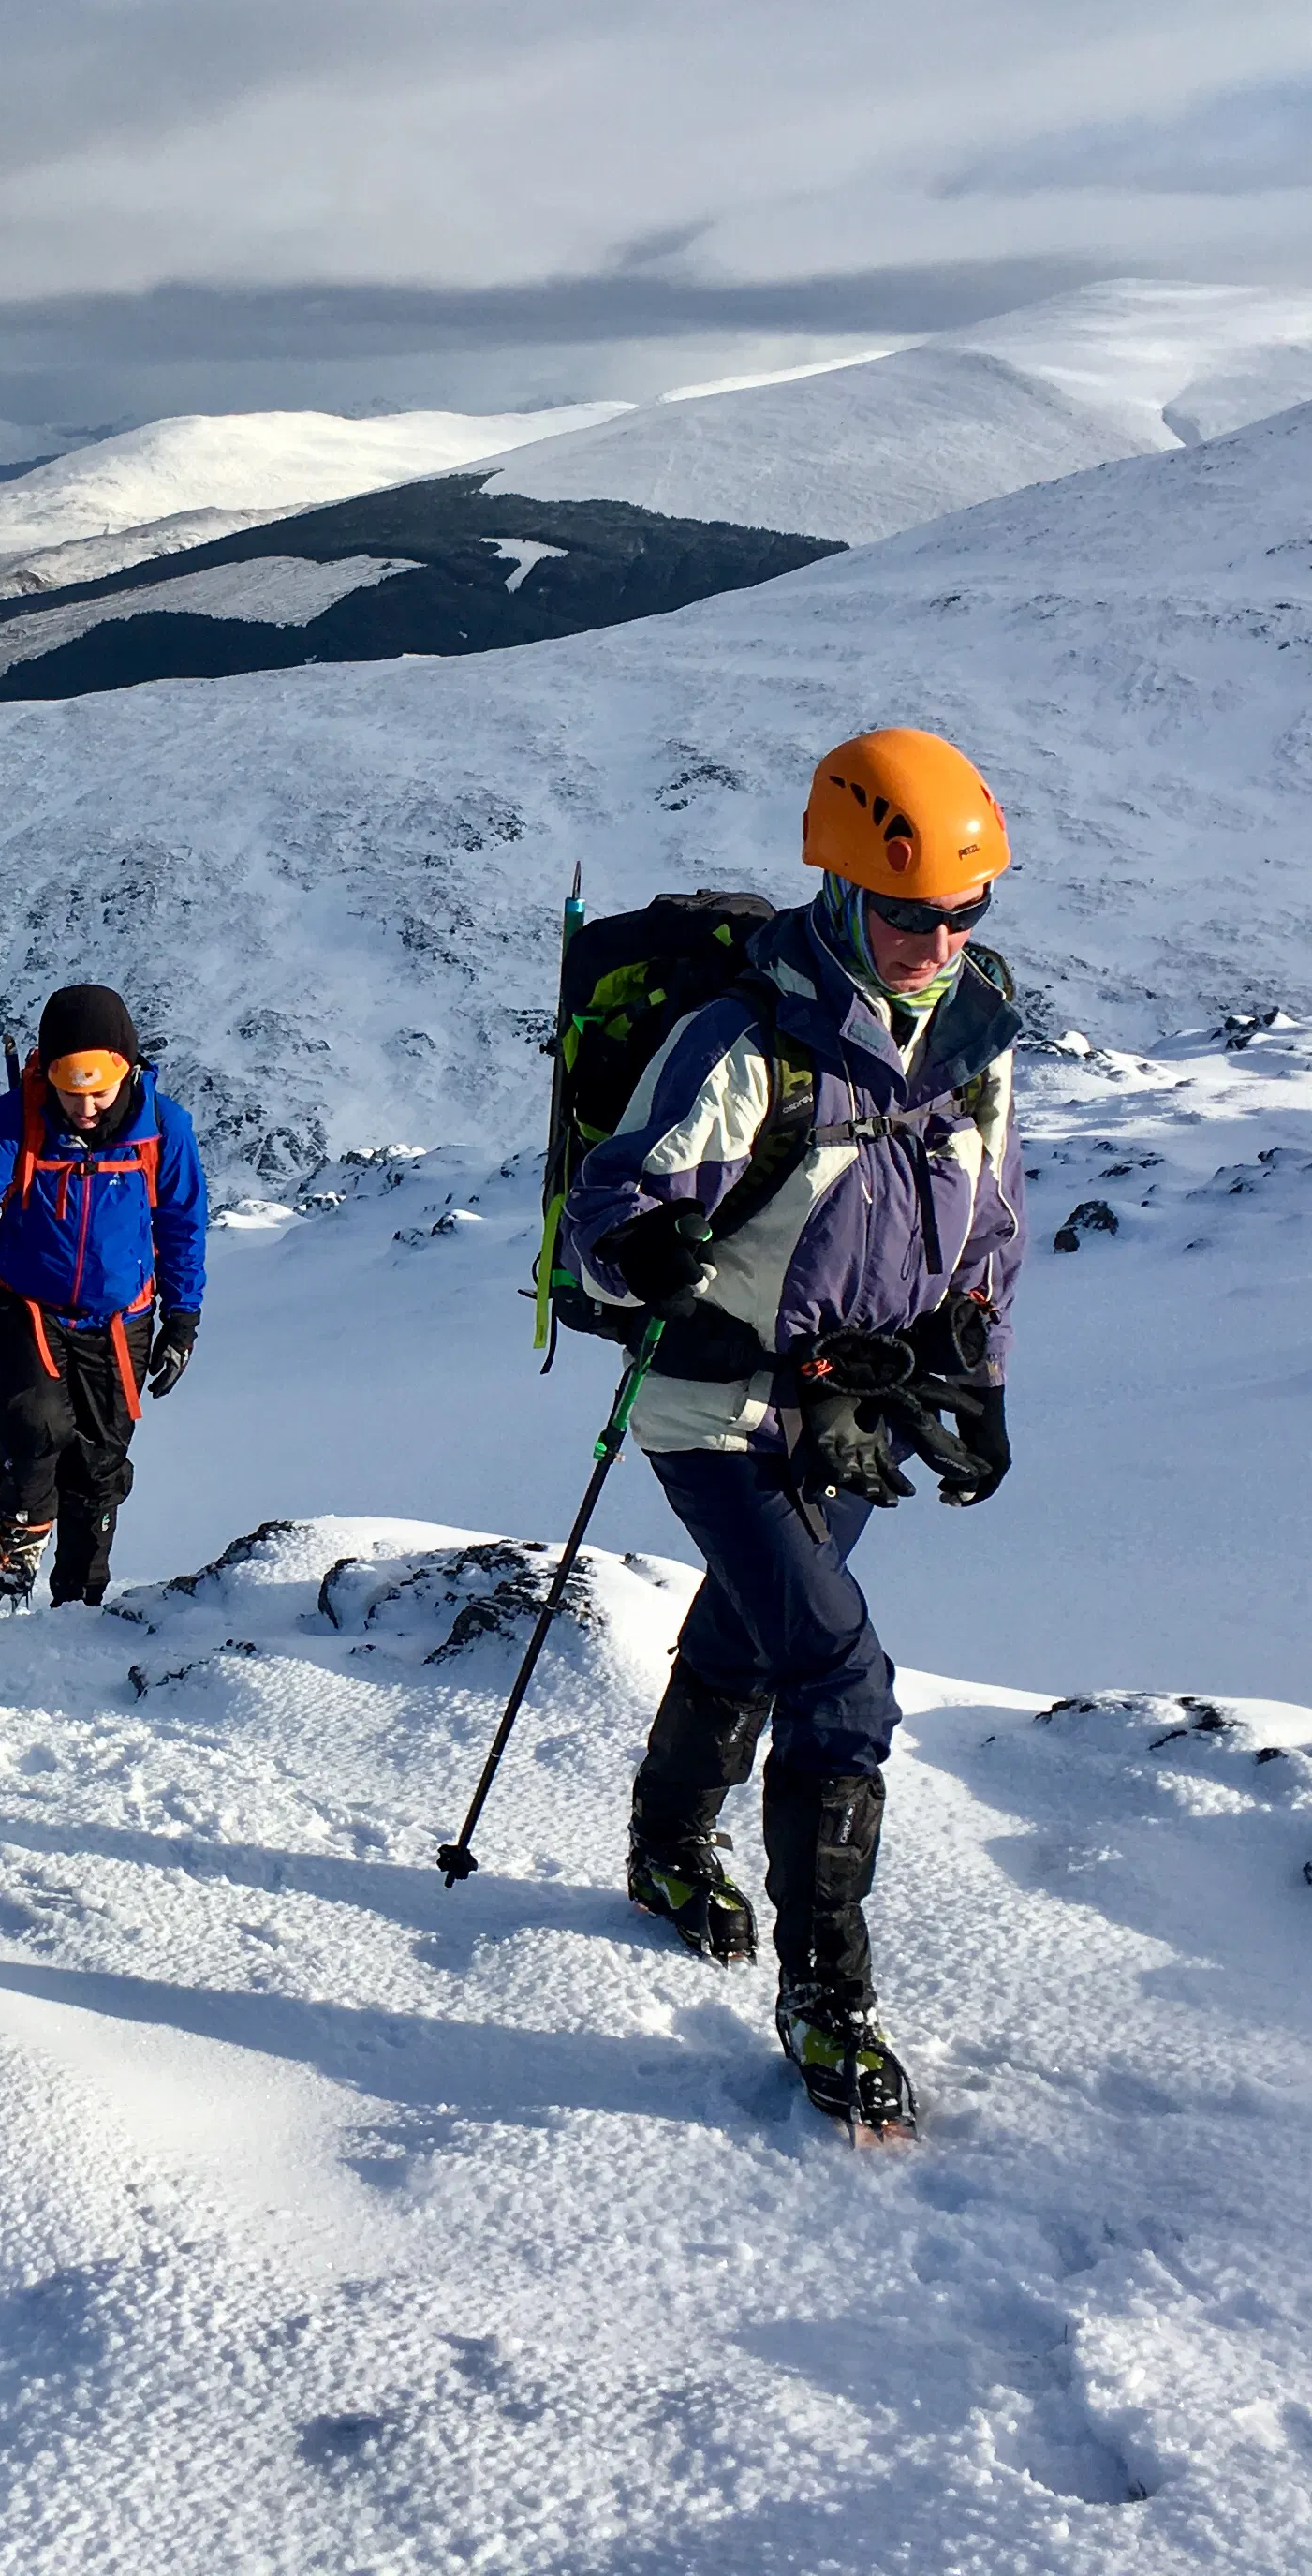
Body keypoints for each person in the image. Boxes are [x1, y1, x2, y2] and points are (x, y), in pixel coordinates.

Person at [563, 726, 1025, 2138]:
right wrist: (650, 1260)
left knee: (761, 1630)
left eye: (965, 914)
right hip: (717, 1410)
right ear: (836, 884)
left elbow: (990, 1232)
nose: (937, 944)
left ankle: (663, 1846)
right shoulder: (746, 1042)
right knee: (839, 1671)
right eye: (908, 914)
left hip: (858, 1412)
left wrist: (979, 1382)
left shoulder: (973, 1042)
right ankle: (828, 2002)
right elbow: (605, 1217)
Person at [0, 984, 207, 1606]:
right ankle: (19, 1544)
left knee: (101, 1463)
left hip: (122, 1319)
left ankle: (80, 1600)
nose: (85, 1108)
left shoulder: (165, 1129)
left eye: (98, 1092)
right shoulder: (19, 1117)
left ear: (128, 1070)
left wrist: (183, 1321)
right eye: (71, 1092)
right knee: (37, 1430)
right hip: (20, 1301)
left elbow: (181, 1223)